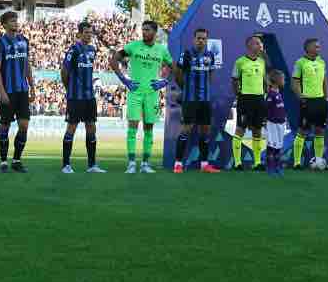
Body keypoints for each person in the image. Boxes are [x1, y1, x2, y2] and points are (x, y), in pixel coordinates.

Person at [114, 20, 173, 173]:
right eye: (143, 29)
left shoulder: (162, 50)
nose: (144, 32)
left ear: (155, 32)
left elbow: (175, 68)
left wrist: (164, 82)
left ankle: (146, 164)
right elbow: (114, 59)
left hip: (152, 94)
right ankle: (132, 163)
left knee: (149, 129)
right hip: (135, 92)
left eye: (147, 30)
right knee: (132, 127)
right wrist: (124, 79)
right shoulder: (133, 46)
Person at [0, 11, 35, 173]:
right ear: (4, 24)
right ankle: (3, 161)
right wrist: (1, 92)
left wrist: (32, 87)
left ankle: (16, 159)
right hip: (8, 90)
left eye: (16, 20)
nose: (15, 23)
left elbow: (27, 65)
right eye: (11, 20)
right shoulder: (0, 43)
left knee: (24, 125)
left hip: (22, 90)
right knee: (5, 126)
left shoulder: (24, 41)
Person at [173, 28, 222, 173]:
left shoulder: (210, 55)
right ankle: (178, 164)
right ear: (194, 39)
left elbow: (212, 73)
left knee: (205, 130)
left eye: (204, 38)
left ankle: (204, 164)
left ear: (207, 40)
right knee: (186, 129)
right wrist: (185, 88)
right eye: (199, 38)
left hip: (205, 99)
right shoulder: (186, 54)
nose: (201, 40)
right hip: (190, 99)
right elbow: (178, 73)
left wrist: (206, 87)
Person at [59, 22, 105, 174]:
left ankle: (92, 165)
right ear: (79, 34)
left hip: (89, 96)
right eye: (86, 32)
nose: (89, 35)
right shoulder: (73, 50)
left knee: (91, 127)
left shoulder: (93, 50)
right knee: (71, 127)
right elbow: (64, 71)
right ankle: (66, 165)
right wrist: (69, 88)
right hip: (75, 96)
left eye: (90, 32)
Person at [229, 35, 268, 171]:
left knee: (257, 130)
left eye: (261, 44)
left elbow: (265, 80)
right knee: (240, 129)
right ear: (249, 46)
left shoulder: (262, 62)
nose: (260, 46)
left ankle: (257, 162)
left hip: (259, 99)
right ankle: (237, 163)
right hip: (245, 99)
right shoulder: (240, 62)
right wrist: (239, 95)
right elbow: (234, 80)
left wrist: (264, 93)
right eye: (257, 43)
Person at [291, 37, 328, 170]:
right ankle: (296, 162)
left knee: (320, 130)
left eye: (319, 47)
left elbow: (325, 81)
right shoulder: (300, 63)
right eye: (316, 46)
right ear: (308, 48)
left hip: (320, 101)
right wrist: (300, 96)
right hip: (307, 101)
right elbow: (294, 82)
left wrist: (327, 98)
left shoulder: (321, 62)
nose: (319, 49)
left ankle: (318, 161)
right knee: (302, 131)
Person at [265, 70, 288, 175]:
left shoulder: (278, 93)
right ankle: (270, 167)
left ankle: (277, 166)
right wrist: (266, 120)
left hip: (281, 123)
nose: (285, 81)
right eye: (283, 79)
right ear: (276, 80)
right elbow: (267, 108)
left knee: (278, 146)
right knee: (271, 145)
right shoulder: (271, 94)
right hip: (272, 123)